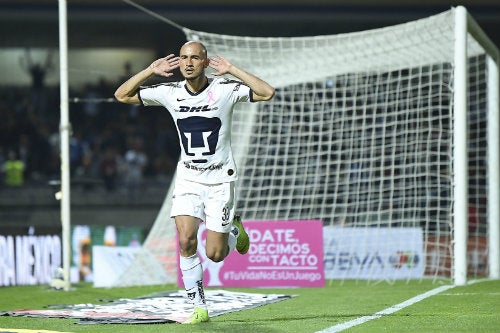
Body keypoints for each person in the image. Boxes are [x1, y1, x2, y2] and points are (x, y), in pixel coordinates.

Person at [114, 41, 275, 324]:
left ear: (204, 62)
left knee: (215, 254)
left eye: (194, 58)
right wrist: (150, 70)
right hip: (188, 178)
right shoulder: (169, 92)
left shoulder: (224, 89)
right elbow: (122, 95)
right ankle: (198, 307)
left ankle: (234, 229)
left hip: (219, 180)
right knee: (186, 240)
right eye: (183, 58)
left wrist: (232, 69)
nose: (188, 63)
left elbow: (267, 92)